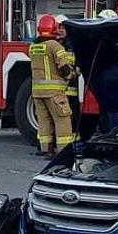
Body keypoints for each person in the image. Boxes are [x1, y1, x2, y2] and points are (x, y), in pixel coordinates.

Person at [28, 13, 78, 156]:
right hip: (54, 92)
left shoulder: (33, 47)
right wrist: (72, 75)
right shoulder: (55, 46)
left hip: (37, 93)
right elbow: (64, 67)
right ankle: (64, 151)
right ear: (54, 28)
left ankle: (45, 149)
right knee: (63, 120)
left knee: (44, 121)